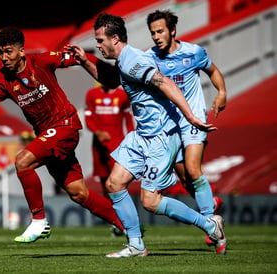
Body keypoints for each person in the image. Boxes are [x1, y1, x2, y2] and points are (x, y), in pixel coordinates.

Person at [67, 13, 227, 257]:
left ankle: (210, 225)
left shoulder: (133, 60)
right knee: (114, 184)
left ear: (115, 38)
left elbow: (165, 83)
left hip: (162, 137)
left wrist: (191, 116)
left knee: (150, 201)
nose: (98, 45)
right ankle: (136, 245)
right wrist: (85, 61)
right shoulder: (124, 61)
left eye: (100, 40)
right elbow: (111, 80)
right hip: (142, 135)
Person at [0, 26, 124, 243]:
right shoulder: (2, 78)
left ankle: (38, 221)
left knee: (23, 162)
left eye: (9, 52)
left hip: (65, 126)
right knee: (78, 193)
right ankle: (128, 225)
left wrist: (106, 70)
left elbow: (78, 57)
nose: (4, 57)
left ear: (21, 51)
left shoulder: (42, 61)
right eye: (1, 52)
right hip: (48, 135)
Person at [145, 9, 227, 245]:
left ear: (172, 31)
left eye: (160, 31)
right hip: (169, 124)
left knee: (193, 169)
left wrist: (221, 92)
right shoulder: (149, 57)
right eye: (153, 33)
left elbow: (212, 70)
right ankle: (210, 203)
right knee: (184, 178)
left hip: (194, 119)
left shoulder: (193, 52)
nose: (156, 37)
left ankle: (211, 223)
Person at [84, 82, 134, 196]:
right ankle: (109, 206)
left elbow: (128, 119)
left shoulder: (122, 95)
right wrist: (97, 132)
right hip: (99, 145)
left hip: (117, 144)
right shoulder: (92, 94)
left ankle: (119, 205)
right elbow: (88, 118)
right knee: (103, 177)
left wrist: (131, 139)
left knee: (117, 179)